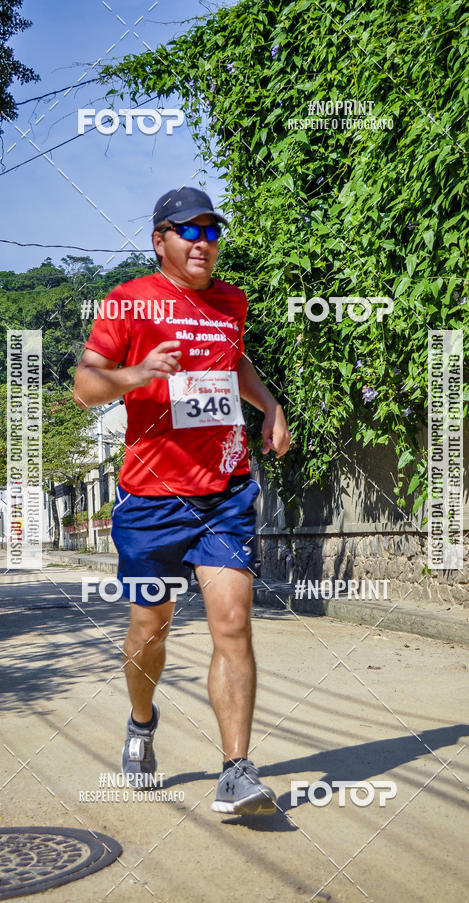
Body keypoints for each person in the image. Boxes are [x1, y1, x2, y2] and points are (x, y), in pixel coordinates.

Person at [74, 187, 291, 816]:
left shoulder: (231, 302)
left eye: (211, 231)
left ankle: (236, 770)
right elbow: (88, 384)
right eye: (188, 231)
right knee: (151, 625)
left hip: (224, 489)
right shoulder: (129, 301)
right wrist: (137, 374)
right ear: (159, 239)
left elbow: (234, 362)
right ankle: (142, 723)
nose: (203, 243)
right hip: (150, 499)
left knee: (232, 621)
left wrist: (270, 406)